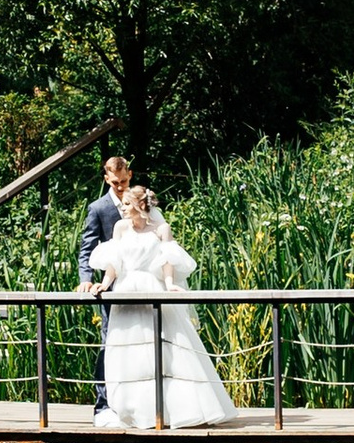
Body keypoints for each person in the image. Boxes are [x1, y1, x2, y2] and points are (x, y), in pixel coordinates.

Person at [88, 184, 240, 429]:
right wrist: (104, 285)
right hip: (125, 290)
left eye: (127, 204)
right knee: (129, 351)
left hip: (151, 286)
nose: (123, 209)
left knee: (162, 347)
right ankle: (132, 412)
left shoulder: (161, 229)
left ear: (139, 205)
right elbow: (114, 263)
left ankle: (170, 411)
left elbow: (167, 260)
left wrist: (169, 284)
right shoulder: (120, 228)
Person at [76, 151, 132, 410]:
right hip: (110, 285)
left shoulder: (140, 200)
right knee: (108, 340)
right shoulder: (98, 208)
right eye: (115, 183)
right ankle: (104, 402)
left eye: (124, 181)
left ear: (129, 175)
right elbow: (87, 247)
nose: (120, 188)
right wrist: (86, 278)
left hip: (140, 284)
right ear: (107, 179)